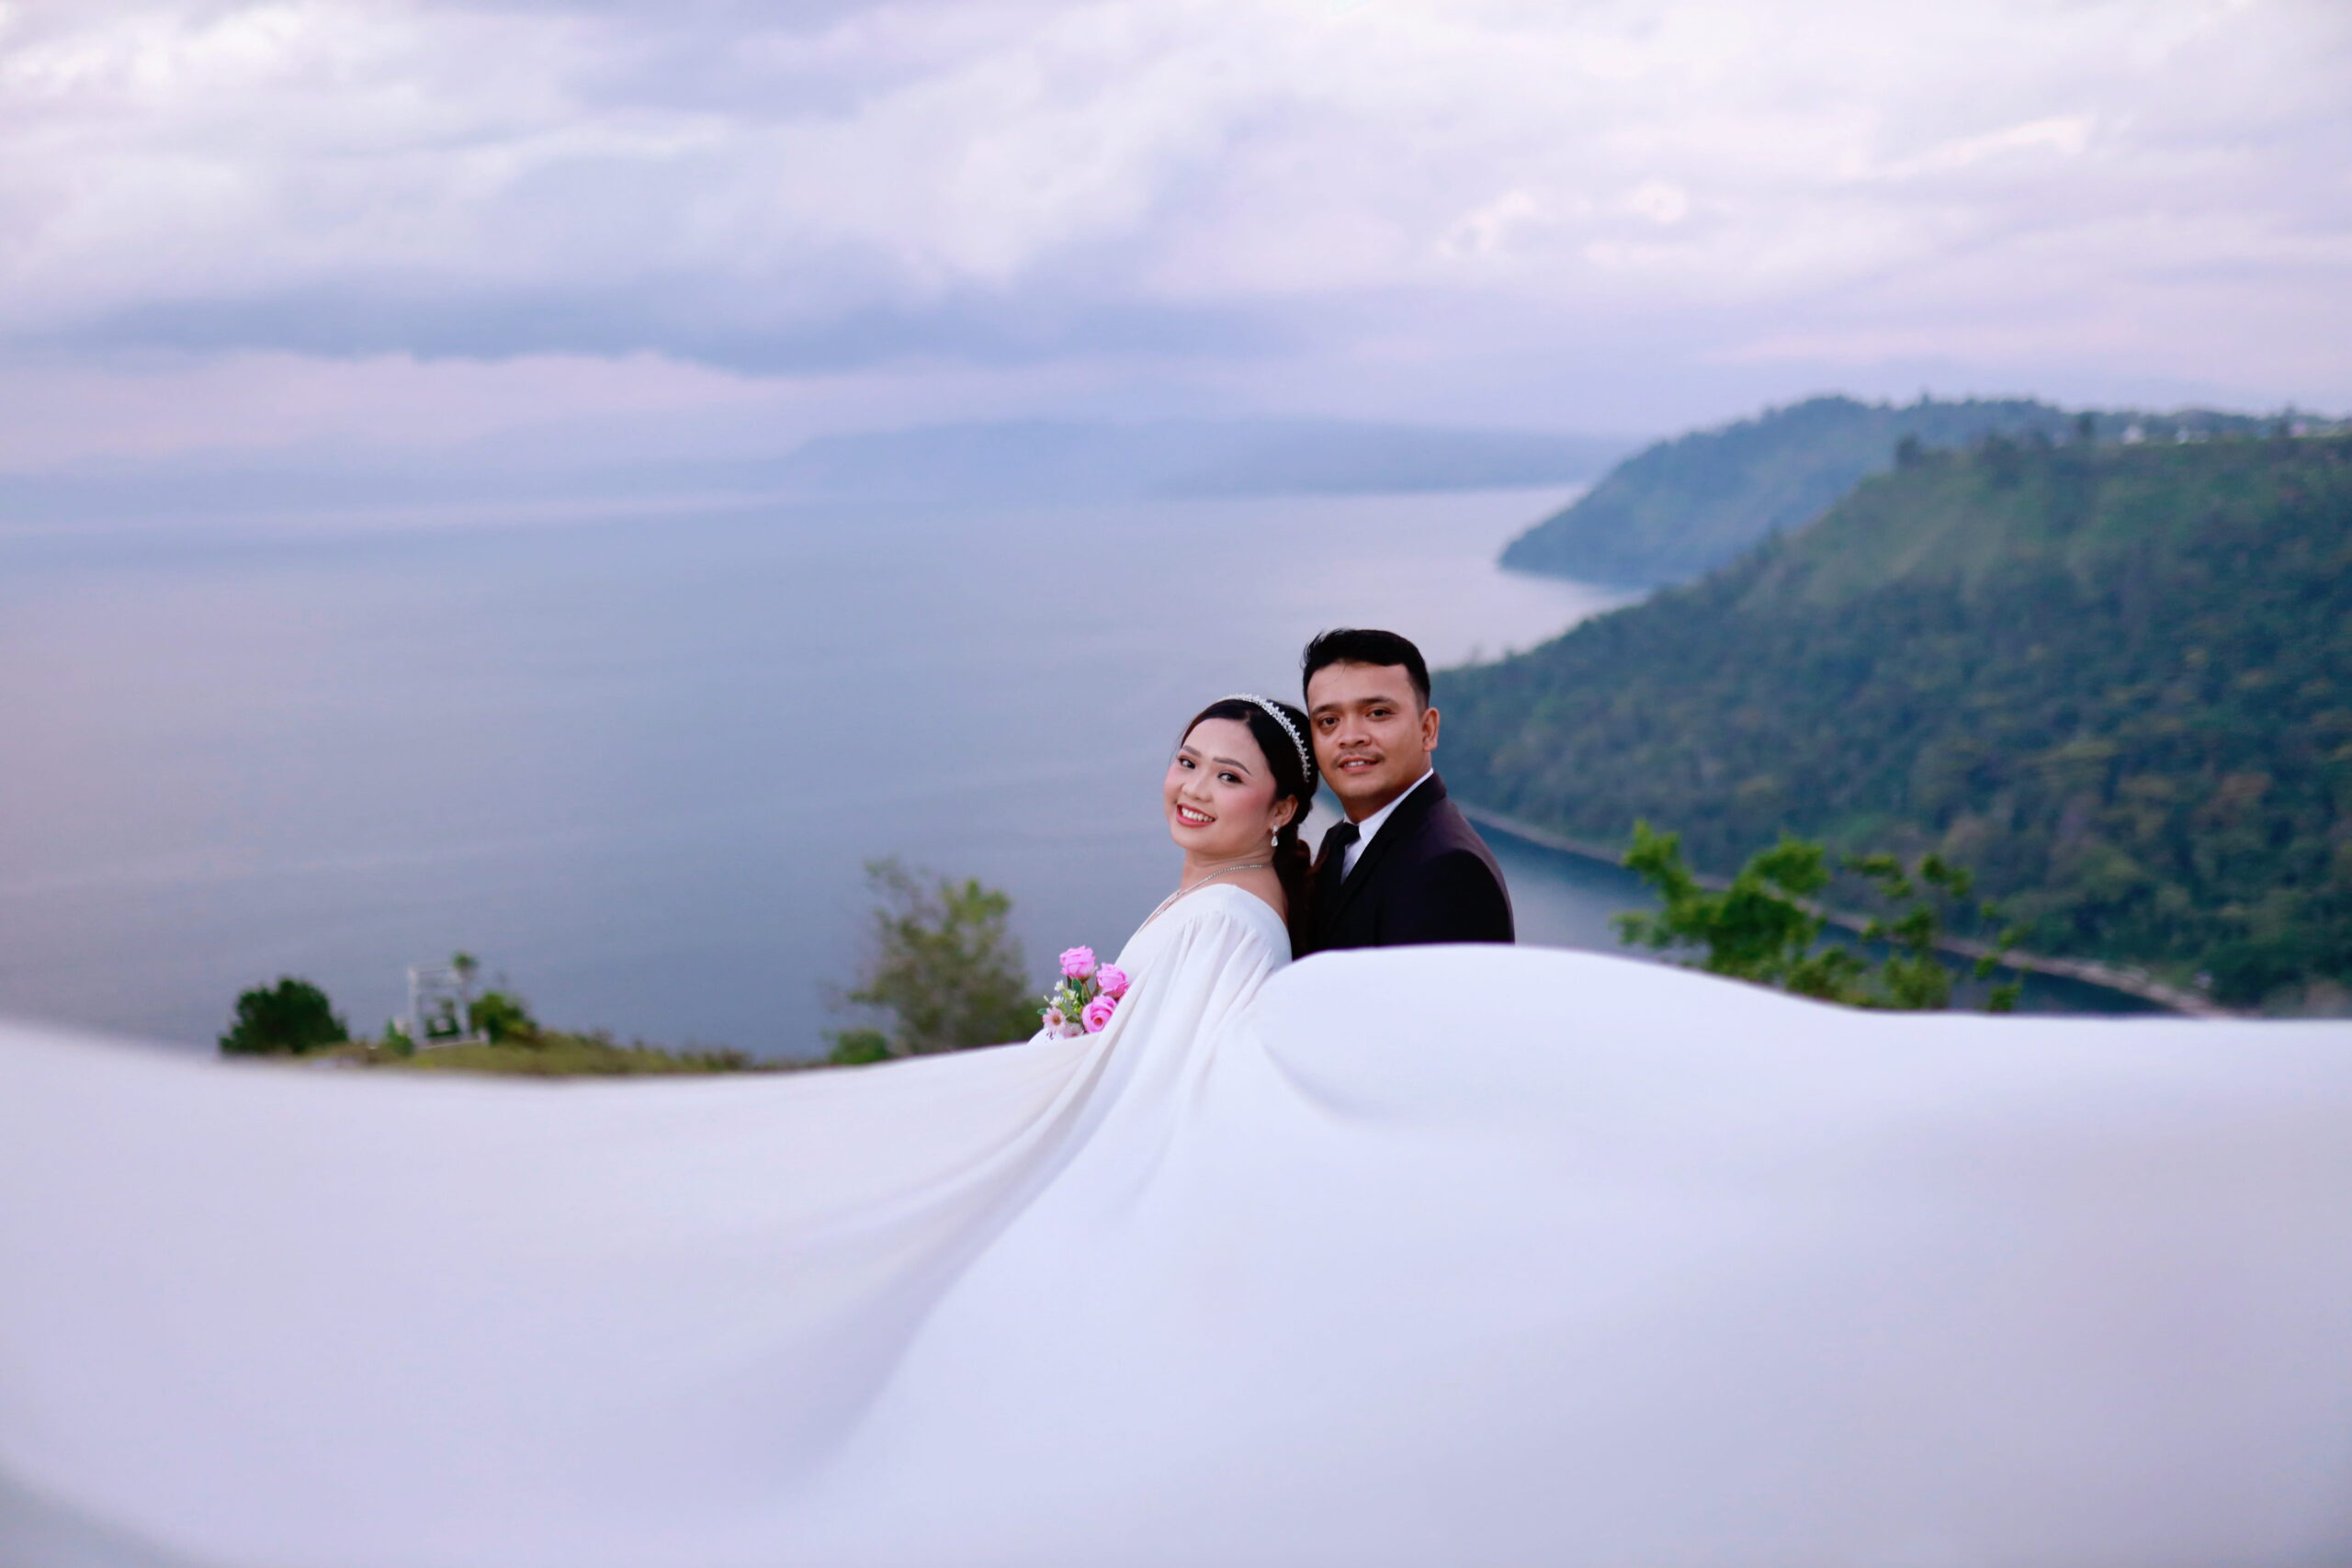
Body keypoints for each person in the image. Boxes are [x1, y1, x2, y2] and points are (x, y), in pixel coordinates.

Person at [1298, 626, 1513, 953]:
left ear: (1427, 729)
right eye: (1329, 720)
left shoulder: (1449, 870)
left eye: (1377, 713)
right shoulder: (1343, 839)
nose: (1351, 736)